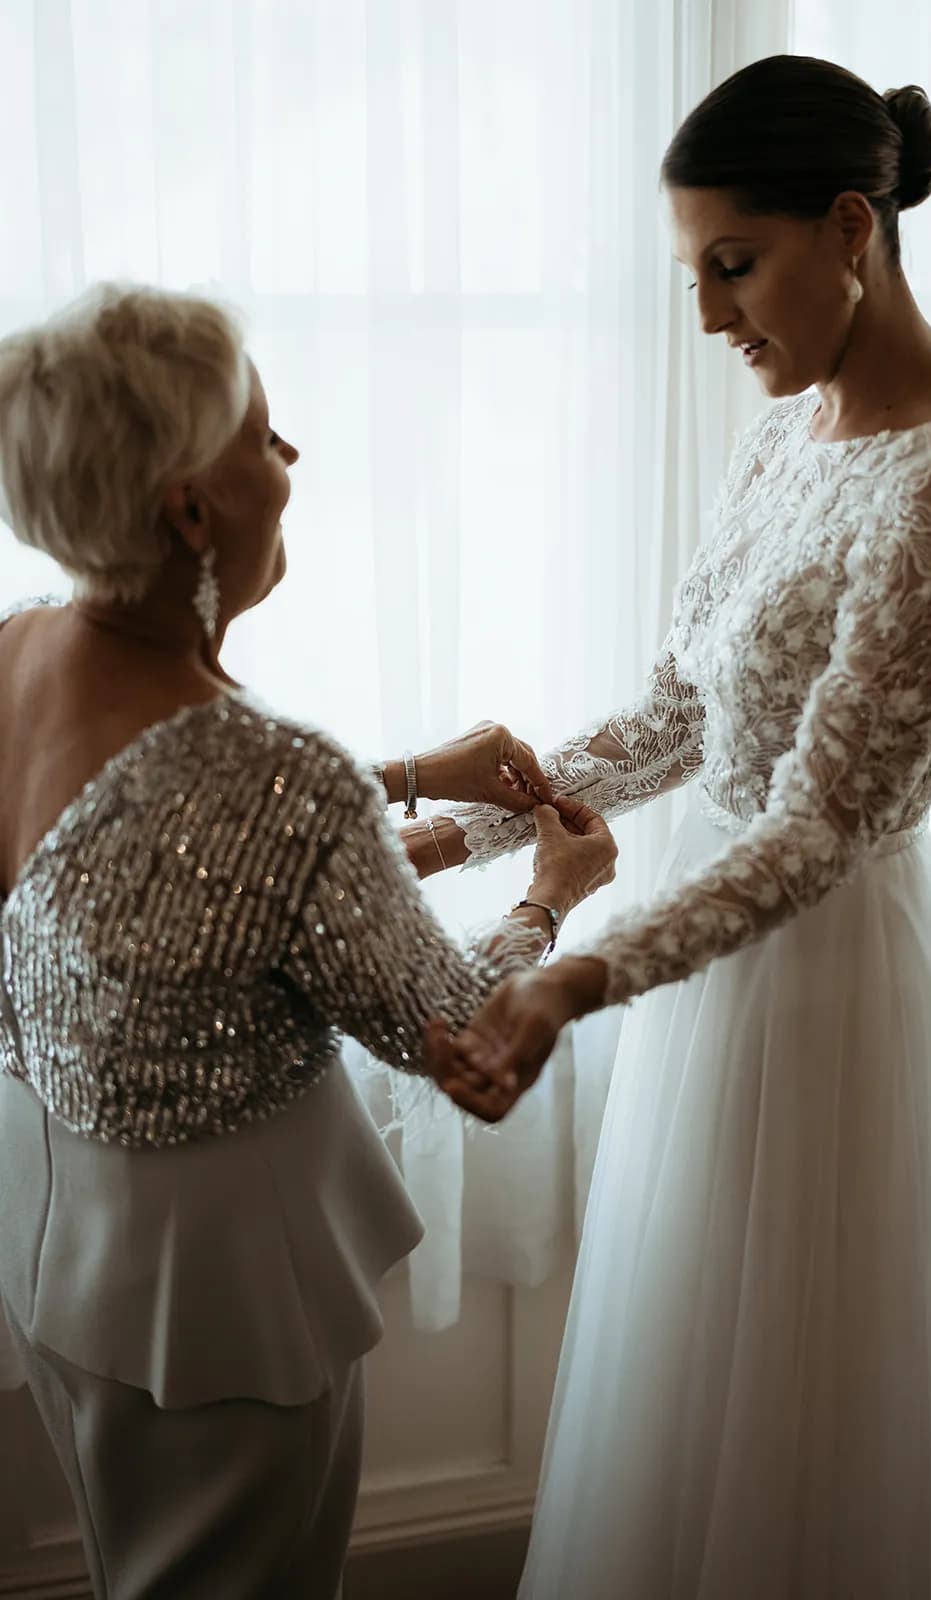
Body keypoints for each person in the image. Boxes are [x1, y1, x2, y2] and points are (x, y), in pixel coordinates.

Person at [424, 55, 931, 1598]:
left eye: (734, 267)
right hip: (707, 967)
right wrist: (465, 838)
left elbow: (822, 830)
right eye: (693, 274)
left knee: (811, 1386)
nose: (711, 318)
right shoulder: (789, 428)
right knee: (688, 1366)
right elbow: (682, 710)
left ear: (854, 227)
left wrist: (577, 975)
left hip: (828, 972)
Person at [0, 282, 617, 1600]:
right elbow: (468, 1051)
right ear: (191, 508)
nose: (291, 463)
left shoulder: (17, 655)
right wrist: (552, 894)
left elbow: (159, 886)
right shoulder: (277, 784)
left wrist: (406, 773)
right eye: (264, 434)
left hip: (57, 1234)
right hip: (226, 1294)